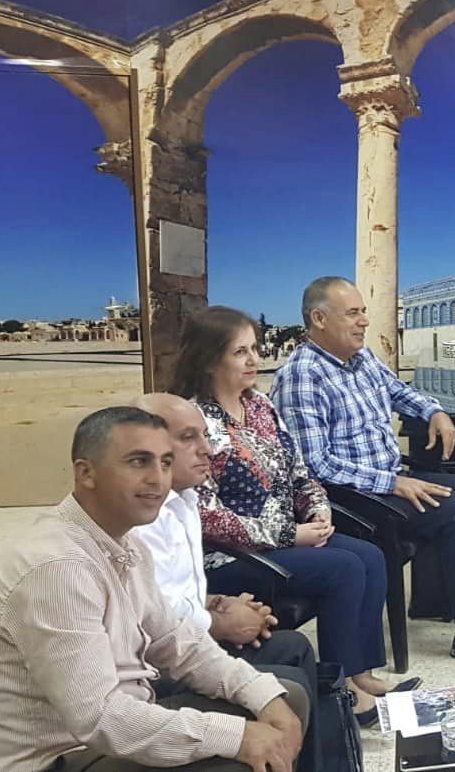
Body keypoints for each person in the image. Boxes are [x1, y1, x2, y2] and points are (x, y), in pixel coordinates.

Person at [0, 407, 306, 772]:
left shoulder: (127, 544)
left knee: (283, 702)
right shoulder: (56, 567)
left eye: (166, 462)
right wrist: (236, 737)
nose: (158, 478)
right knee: (241, 756)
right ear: (85, 472)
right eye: (139, 462)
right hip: (58, 756)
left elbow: (179, 643)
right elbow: (100, 719)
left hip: (113, 724)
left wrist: (262, 695)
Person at [271, 276, 455, 667]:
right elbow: (316, 465)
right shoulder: (303, 375)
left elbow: (399, 391)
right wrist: (392, 483)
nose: (365, 321)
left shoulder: (360, 358)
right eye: (353, 313)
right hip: (353, 498)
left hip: (390, 480)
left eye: (364, 311)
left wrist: (434, 410)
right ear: (319, 319)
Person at [169, 306, 416, 722]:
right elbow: (207, 516)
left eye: (255, 349)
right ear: (210, 360)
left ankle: (361, 674)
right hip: (231, 555)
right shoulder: (195, 421)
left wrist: (318, 510)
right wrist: (290, 535)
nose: (254, 360)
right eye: (240, 352)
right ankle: (339, 693)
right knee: (343, 568)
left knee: (371, 555)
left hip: (289, 535)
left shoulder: (260, 406)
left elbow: (299, 471)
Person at [133, 392, 326, 770]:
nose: (207, 449)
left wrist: (219, 604)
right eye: (188, 438)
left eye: (205, 436)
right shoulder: (139, 519)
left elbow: (169, 593)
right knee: (289, 689)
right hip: (154, 671)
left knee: (294, 647)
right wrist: (218, 622)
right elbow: (150, 623)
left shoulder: (184, 500)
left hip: (186, 642)